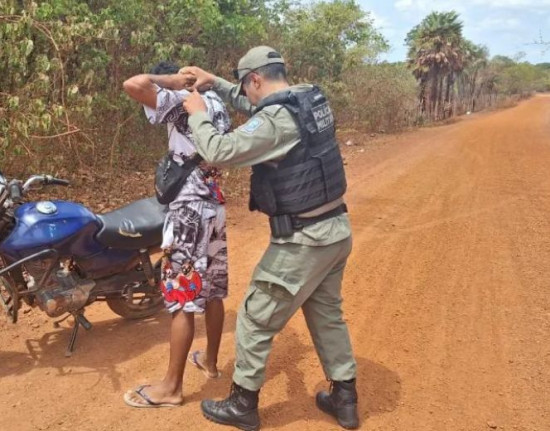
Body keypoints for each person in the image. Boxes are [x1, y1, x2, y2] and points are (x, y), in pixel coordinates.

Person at [181, 46, 359, 430]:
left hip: (303, 241)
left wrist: (198, 115)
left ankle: (242, 404)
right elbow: (262, 109)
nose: (246, 95)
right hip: (335, 232)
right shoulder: (308, 98)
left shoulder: (277, 121)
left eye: (247, 87)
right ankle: (345, 398)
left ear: (256, 79)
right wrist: (217, 83)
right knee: (326, 315)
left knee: (255, 318)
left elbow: (219, 150)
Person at [121, 61, 231, 408]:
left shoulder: (178, 97)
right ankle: (210, 362)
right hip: (215, 205)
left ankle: (171, 388)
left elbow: (133, 83)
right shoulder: (218, 104)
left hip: (187, 210)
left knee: (182, 297)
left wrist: (168, 81)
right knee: (212, 290)